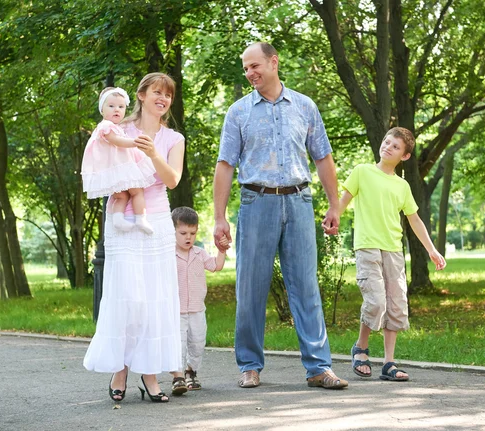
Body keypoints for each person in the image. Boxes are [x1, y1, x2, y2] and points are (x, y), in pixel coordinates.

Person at [213, 42, 348, 390]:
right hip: (256, 203)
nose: (250, 73)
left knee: (305, 287)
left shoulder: (304, 106)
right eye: (245, 68)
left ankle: (319, 367)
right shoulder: (238, 112)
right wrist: (219, 217)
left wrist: (334, 205)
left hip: (299, 201)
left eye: (255, 66)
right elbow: (225, 166)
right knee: (250, 287)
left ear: (274, 62)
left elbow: (323, 158)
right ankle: (249, 364)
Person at [83, 73, 185, 403]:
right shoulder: (118, 127)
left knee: (154, 299)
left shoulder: (174, 138)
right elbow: (100, 162)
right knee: (127, 296)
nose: (163, 99)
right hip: (121, 220)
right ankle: (120, 369)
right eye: (156, 92)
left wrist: (154, 153)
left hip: (156, 220)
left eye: (167, 95)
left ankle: (150, 375)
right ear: (140, 95)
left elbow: (172, 180)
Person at [338, 127, 447, 382]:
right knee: (375, 301)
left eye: (395, 146)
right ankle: (361, 348)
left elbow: (415, 220)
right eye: (387, 142)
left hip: (394, 250)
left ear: (405, 156)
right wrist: (333, 216)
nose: (388, 147)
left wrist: (431, 249)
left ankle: (388, 363)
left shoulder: (403, 186)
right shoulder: (362, 172)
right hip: (367, 246)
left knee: (396, 305)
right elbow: (343, 199)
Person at [168, 206, 229, 395]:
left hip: (196, 309)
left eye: (192, 233)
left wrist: (221, 249)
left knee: (197, 342)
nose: (188, 237)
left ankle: (191, 371)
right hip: (176, 310)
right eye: (183, 233)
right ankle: (177, 378)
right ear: (173, 232)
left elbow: (216, 266)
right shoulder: (167, 255)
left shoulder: (199, 253)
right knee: (178, 343)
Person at [81, 87, 156, 234]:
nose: (117, 110)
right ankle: (141, 218)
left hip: (117, 168)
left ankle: (119, 220)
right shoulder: (106, 127)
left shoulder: (113, 127)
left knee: (122, 195)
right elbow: (117, 142)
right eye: (111, 106)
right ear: (102, 110)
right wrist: (134, 142)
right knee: (137, 191)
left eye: (121, 107)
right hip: (120, 168)